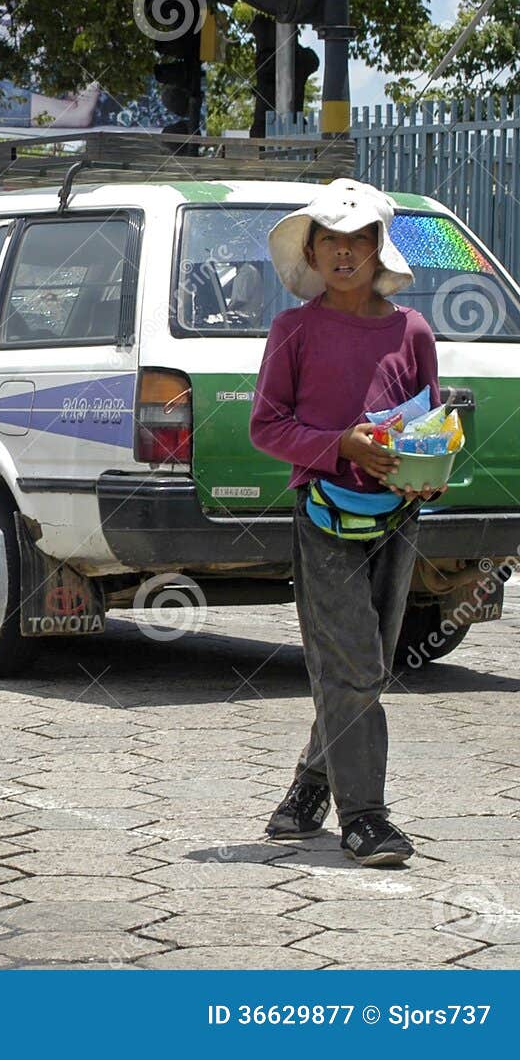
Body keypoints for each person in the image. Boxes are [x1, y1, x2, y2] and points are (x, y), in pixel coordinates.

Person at [250, 178, 443, 867]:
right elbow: (266, 425)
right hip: (324, 516)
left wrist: (427, 468)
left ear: (376, 248)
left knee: (364, 665)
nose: (342, 253)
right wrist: (340, 445)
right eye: (328, 239)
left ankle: (307, 788)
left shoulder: (412, 330)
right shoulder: (293, 330)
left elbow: (429, 419)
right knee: (356, 664)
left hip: (398, 516)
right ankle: (365, 818)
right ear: (312, 250)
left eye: (356, 239)